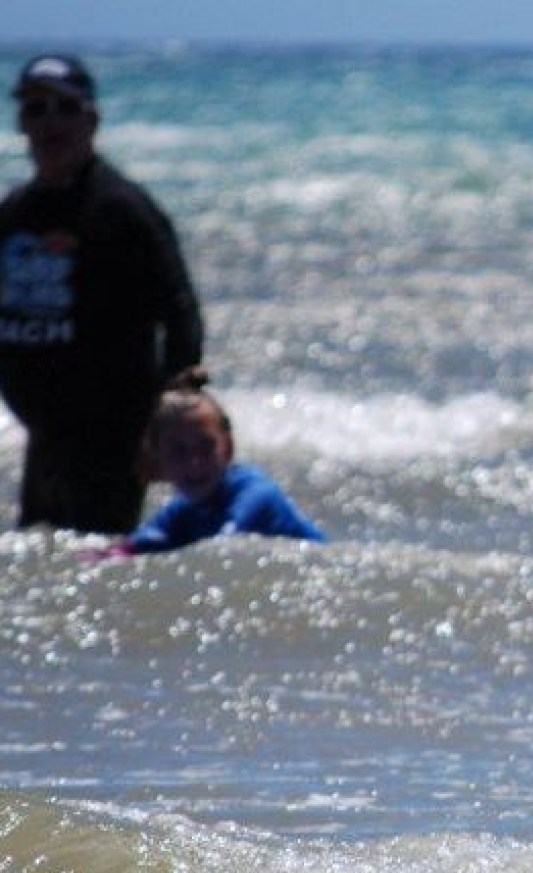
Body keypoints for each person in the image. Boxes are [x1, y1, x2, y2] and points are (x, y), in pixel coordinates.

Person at [0, 53, 204, 533]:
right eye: (35, 109)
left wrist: (171, 420)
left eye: (64, 108)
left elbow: (180, 313)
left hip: (113, 435)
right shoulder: (14, 215)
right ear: (22, 124)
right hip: (43, 433)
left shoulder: (122, 210)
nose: (50, 122)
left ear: (91, 120)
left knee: (98, 563)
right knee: (40, 573)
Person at [101, 367, 325, 555]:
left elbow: (223, 545)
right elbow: (134, 545)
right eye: (178, 452)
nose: (194, 462)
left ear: (228, 448)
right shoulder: (184, 508)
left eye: (205, 447)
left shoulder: (255, 494)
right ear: (159, 460)